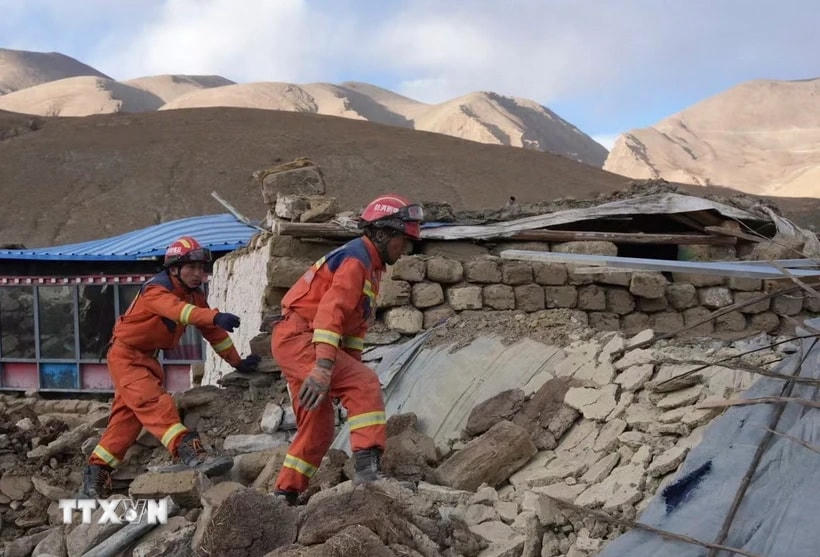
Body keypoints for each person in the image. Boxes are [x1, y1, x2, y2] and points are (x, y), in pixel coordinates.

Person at [272, 194, 423, 504]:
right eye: (402, 239)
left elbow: (353, 329)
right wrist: (326, 368)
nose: (405, 248)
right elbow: (330, 314)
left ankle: (284, 494)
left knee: (319, 427)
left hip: (300, 339)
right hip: (301, 338)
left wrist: (344, 370)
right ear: (381, 233)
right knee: (364, 382)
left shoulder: (371, 267)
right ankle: (368, 473)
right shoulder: (357, 260)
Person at [81, 236, 260, 498]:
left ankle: (96, 476)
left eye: (202, 268)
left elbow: (213, 332)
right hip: (126, 357)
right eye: (192, 267)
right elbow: (179, 312)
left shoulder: (194, 295)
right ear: (174, 268)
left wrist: (237, 362)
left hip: (146, 359)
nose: (199, 274)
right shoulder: (157, 291)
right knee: (155, 403)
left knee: (126, 423)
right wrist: (214, 315)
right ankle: (190, 452)